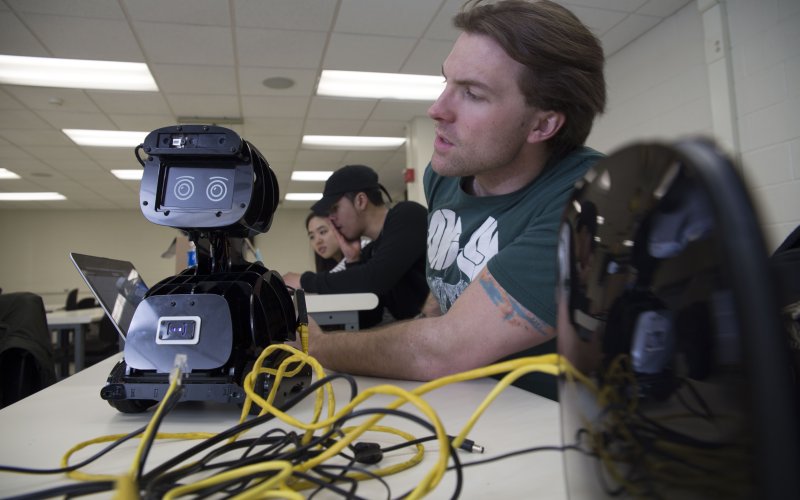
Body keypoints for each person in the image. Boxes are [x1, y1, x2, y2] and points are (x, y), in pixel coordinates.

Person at [293, 0, 606, 400]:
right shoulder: (443, 176)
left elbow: (444, 350)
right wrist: (426, 318)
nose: (437, 109)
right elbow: (449, 289)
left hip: (556, 427)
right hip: (471, 401)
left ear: (543, 124)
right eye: (447, 82)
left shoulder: (585, 202)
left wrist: (314, 345)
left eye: (473, 94)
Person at [283, 164, 429, 328]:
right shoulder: (371, 250)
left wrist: (304, 280)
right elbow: (369, 318)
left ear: (360, 201)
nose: (331, 218)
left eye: (335, 208)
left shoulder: (407, 215)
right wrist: (353, 259)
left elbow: (374, 278)